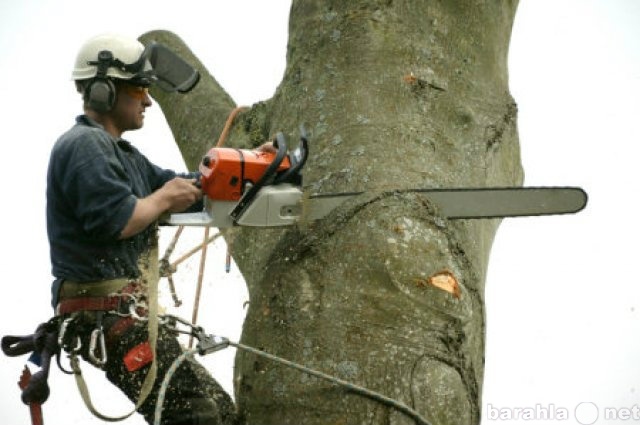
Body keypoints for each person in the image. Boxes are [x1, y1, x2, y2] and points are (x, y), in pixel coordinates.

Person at [47, 33, 236, 425]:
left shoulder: (123, 155)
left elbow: (182, 188)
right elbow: (118, 220)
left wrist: (244, 174)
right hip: (104, 315)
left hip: (125, 314)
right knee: (194, 415)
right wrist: (164, 198)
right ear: (103, 91)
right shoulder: (83, 145)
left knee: (220, 410)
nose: (147, 100)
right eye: (138, 89)